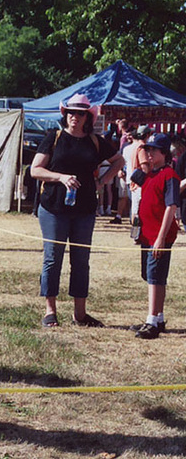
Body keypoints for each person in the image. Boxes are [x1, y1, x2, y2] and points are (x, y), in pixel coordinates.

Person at [30, 93, 124, 328]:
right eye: (70, 112)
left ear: (87, 117)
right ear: (65, 114)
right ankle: (50, 311)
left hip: (84, 209)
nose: (74, 116)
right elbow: (35, 170)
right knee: (53, 258)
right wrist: (60, 177)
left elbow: (119, 161)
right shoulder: (54, 137)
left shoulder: (95, 141)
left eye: (80, 113)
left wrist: (102, 181)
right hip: (53, 207)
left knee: (81, 260)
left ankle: (80, 314)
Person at [128, 134, 180, 339]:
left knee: (154, 277)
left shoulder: (169, 176)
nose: (149, 153)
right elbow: (133, 178)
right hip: (146, 235)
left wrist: (161, 236)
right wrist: (145, 163)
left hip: (159, 236)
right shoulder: (148, 174)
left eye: (154, 151)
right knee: (151, 276)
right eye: (148, 150)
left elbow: (171, 206)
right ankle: (158, 317)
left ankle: (151, 320)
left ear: (165, 154)